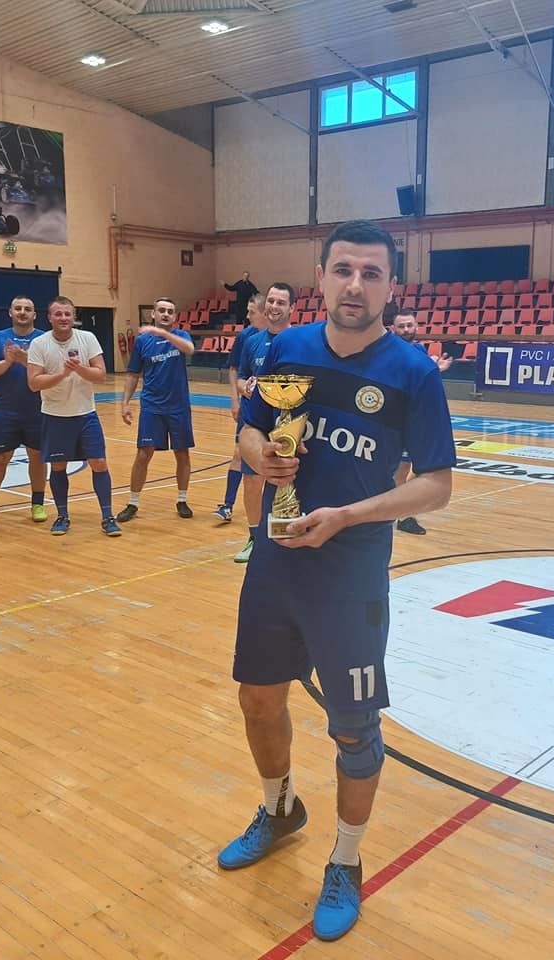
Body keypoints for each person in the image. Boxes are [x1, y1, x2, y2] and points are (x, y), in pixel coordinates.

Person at [218, 221, 455, 943]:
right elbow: (248, 429)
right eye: (344, 270)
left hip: (351, 575)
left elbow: (438, 485)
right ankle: (280, 808)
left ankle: (347, 860)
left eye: (371, 273)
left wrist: (349, 514)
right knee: (258, 700)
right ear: (320, 277)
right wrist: (261, 457)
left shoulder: (413, 373)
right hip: (276, 558)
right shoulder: (284, 349)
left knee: (353, 729)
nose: (356, 284)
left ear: (391, 286)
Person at [26, 296, 120, 536]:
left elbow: (101, 375)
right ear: (49, 318)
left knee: (99, 463)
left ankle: (108, 516)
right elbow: (34, 383)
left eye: (67, 313)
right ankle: (62, 516)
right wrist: (63, 374)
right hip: (55, 416)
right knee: (58, 466)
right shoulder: (39, 344)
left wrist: (78, 368)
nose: (63, 318)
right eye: (58, 314)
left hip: (86, 414)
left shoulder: (87, 338)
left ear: (74, 316)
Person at [230, 282, 296, 563]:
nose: (274, 306)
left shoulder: (299, 341)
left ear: (292, 308)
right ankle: (255, 539)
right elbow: (241, 376)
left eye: (281, 302)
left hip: (287, 424)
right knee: (252, 480)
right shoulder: (252, 341)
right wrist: (244, 387)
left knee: (285, 481)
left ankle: (282, 540)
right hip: (255, 423)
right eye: (271, 301)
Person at [117, 297, 195, 522]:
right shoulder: (143, 342)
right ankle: (132, 503)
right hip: (152, 406)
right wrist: (125, 403)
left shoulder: (181, 336)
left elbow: (189, 349)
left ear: (175, 316)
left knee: (182, 453)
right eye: (161, 310)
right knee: (143, 454)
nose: (166, 314)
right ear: (153, 314)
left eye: (170, 311)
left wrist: (163, 334)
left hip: (178, 406)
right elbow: (133, 374)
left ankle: (182, 499)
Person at [0, 296, 48, 529]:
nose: (22, 312)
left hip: (38, 410)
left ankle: (38, 504)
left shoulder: (44, 339)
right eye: (18, 308)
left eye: (27, 309)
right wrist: (7, 362)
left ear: (35, 314)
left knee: (37, 457)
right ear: (10, 312)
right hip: (5, 411)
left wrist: (25, 360)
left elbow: (50, 372)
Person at [390, 307, 452, 536]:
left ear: (416, 326)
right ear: (393, 329)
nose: (406, 329)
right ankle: (401, 516)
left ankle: (401, 512)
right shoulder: (390, 352)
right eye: (401, 326)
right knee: (399, 472)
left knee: (420, 470)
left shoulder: (419, 350)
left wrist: (435, 370)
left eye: (410, 325)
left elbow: (421, 381)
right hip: (397, 421)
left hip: (417, 420)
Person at [213, 293, 267, 525]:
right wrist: (235, 400)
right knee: (239, 453)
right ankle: (227, 505)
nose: (247, 315)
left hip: (273, 411)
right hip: (249, 408)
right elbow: (235, 370)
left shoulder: (282, 337)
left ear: (264, 312)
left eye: (251, 311)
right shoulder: (246, 336)